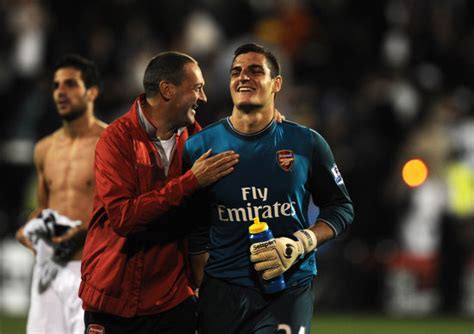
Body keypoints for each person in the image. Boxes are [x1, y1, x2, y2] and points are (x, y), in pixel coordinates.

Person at [183, 43, 354, 334]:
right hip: (223, 292)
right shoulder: (199, 147)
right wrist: (198, 284)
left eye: (255, 70)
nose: (243, 77)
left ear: (276, 84)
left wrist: (301, 242)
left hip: (288, 288)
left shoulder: (306, 143)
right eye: (236, 71)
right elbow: (194, 225)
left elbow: (341, 207)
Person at [79, 51, 240, 334]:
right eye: (196, 88)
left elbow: (246, 141)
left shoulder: (199, 141)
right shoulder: (116, 140)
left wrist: (272, 122)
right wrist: (190, 182)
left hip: (172, 301)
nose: (203, 98)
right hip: (112, 300)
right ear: (167, 90)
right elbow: (123, 218)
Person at [15, 54, 106, 334]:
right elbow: (43, 210)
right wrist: (29, 233)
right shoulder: (44, 148)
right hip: (49, 270)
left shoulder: (109, 143)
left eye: (70, 84)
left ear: (92, 91)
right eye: (56, 86)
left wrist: (83, 233)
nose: (60, 93)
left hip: (92, 271)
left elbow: (123, 212)